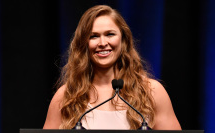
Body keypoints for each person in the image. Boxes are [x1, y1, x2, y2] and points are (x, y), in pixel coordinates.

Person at [43, 5, 181, 130]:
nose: (103, 43)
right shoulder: (66, 95)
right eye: (94, 36)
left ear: (124, 40)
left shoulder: (152, 92)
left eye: (110, 34)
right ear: (84, 44)